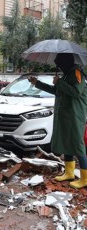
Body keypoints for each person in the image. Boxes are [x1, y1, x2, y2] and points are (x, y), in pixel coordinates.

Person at [28, 53, 87, 189]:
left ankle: (85, 178)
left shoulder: (77, 73)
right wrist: (37, 83)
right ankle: (69, 173)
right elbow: (56, 90)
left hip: (75, 115)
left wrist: (60, 82)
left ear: (67, 62)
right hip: (66, 115)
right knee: (67, 143)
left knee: (78, 145)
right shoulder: (67, 74)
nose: (59, 67)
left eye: (60, 64)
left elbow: (76, 92)